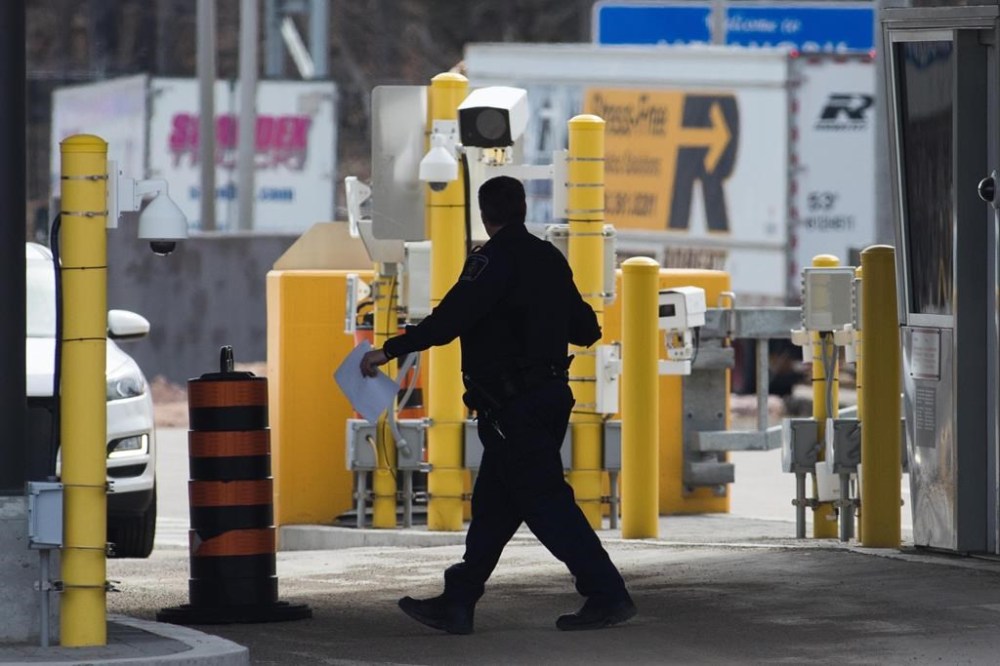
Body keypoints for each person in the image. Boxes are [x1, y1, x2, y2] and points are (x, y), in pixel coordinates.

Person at [360, 175, 635, 634]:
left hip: (514, 408)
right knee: (495, 506)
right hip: (547, 400)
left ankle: (607, 592)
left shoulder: (490, 260)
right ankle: (459, 598)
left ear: (485, 216)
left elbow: (449, 320)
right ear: (523, 209)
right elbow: (587, 329)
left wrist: (389, 350)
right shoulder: (549, 256)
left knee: (547, 503)